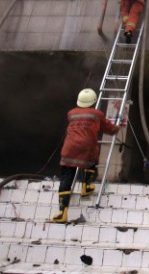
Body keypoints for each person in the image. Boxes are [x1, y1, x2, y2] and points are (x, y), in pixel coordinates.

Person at [50, 88, 121, 223]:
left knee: (66, 178)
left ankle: (62, 213)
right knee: (92, 161)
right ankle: (86, 186)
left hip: (69, 148)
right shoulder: (97, 114)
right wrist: (117, 127)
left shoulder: (71, 113)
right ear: (93, 101)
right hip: (86, 147)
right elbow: (109, 129)